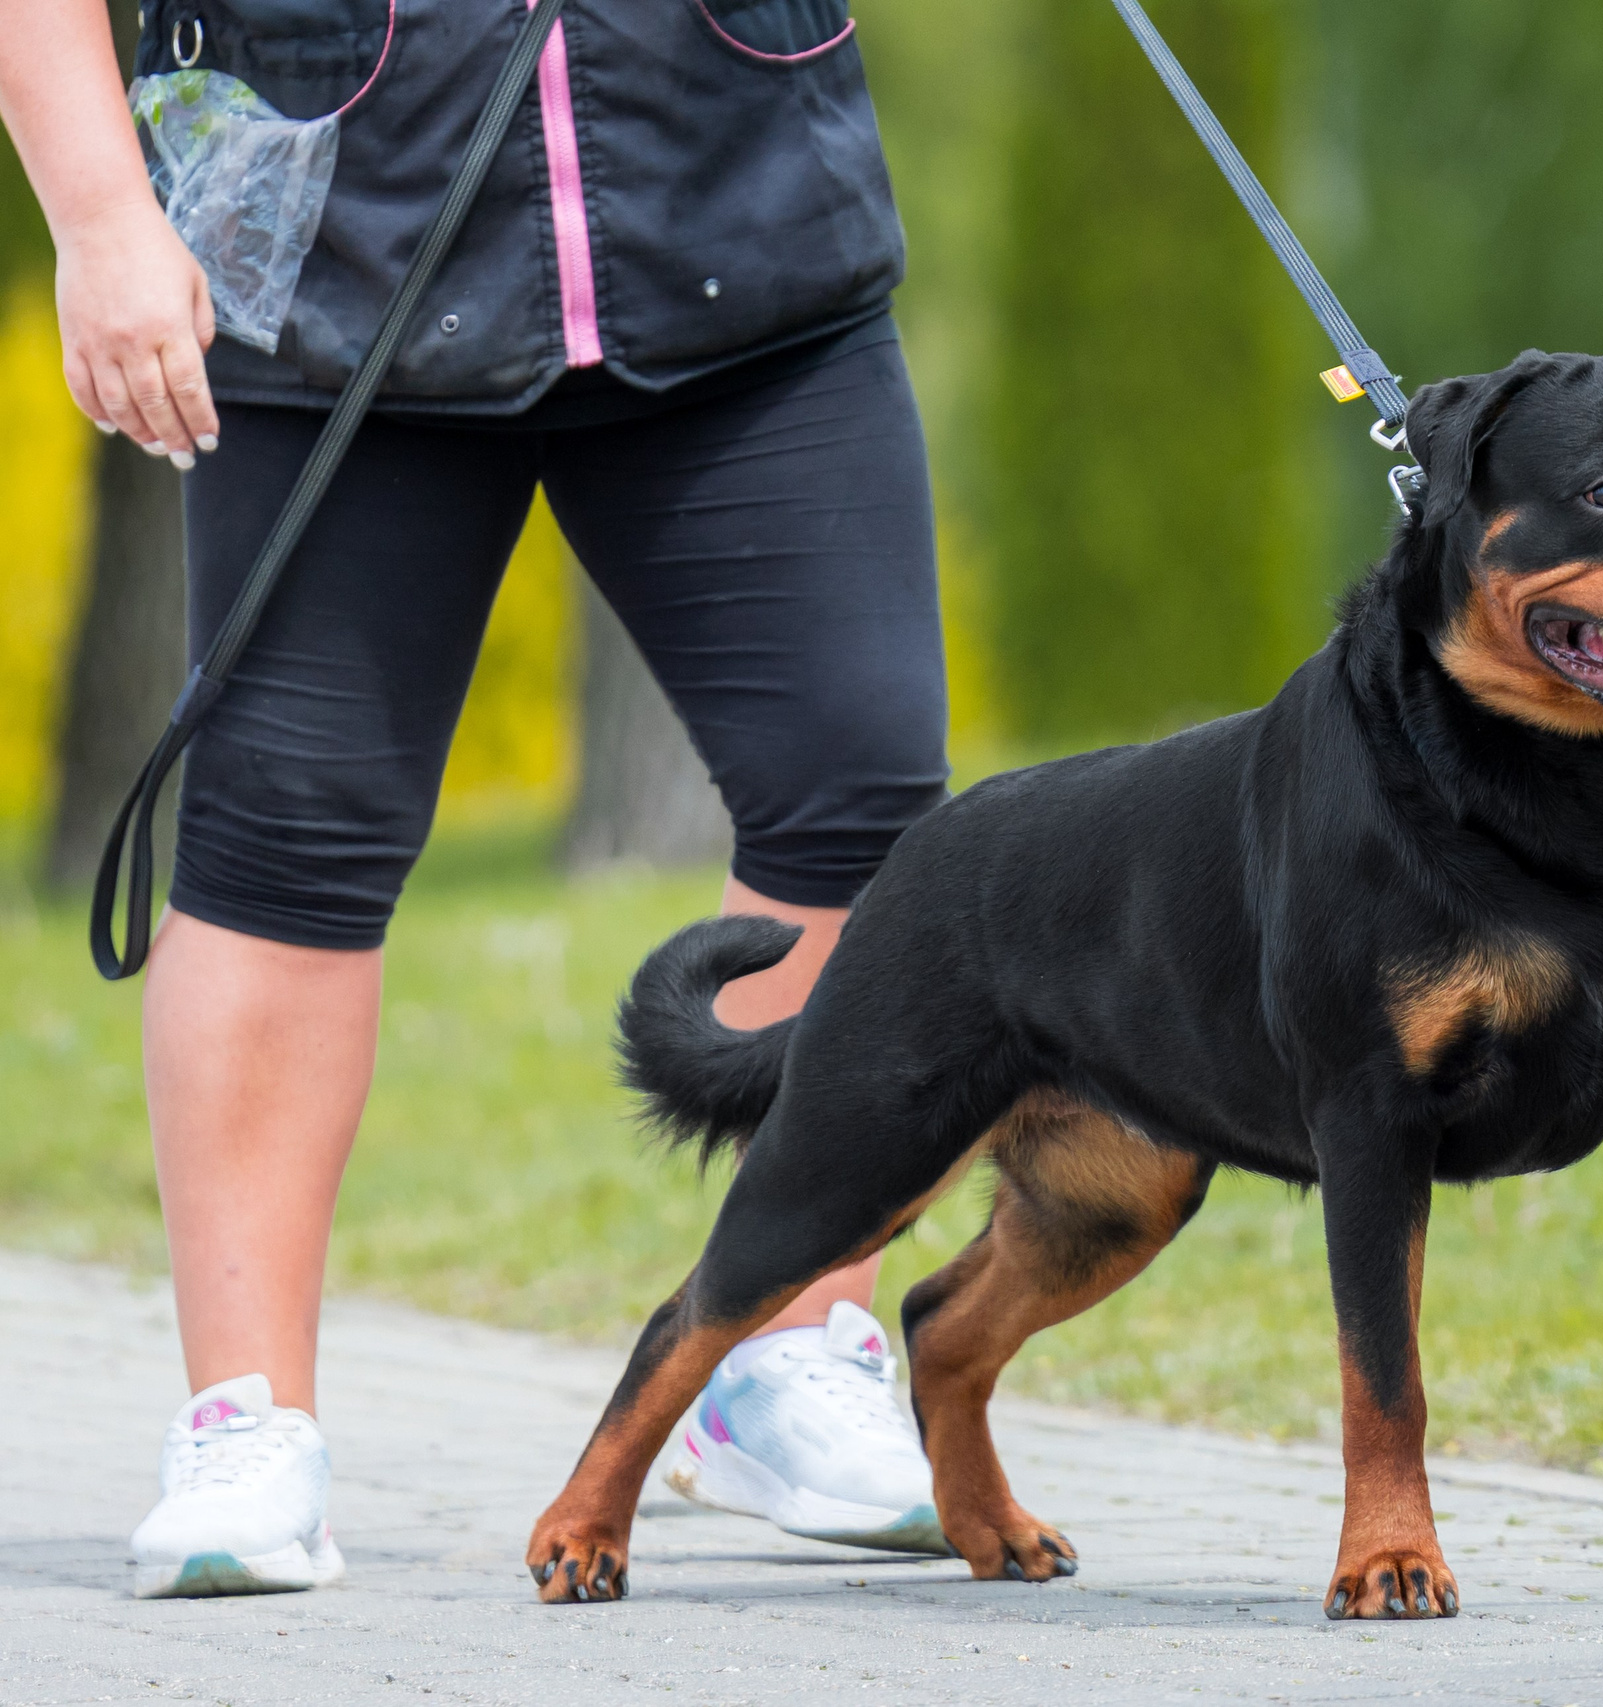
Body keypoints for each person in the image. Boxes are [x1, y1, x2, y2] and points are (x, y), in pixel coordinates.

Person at [0, 0, 954, 1597]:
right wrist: (100, 215)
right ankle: (249, 1428)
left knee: (858, 797)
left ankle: (792, 1349)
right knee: (280, 844)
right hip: (331, 255)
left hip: (742, 229)